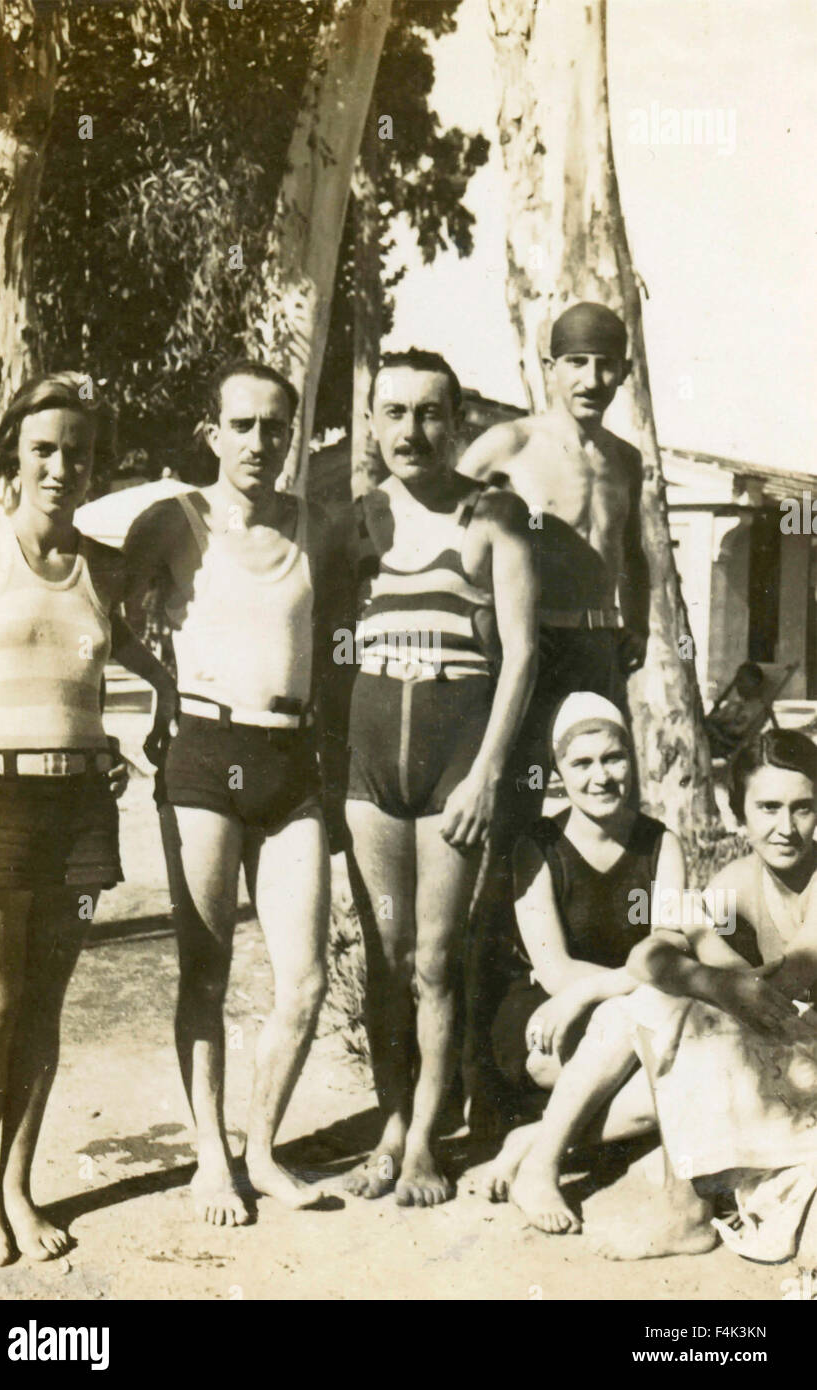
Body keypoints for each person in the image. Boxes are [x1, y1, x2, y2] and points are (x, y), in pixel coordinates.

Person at [122, 359, 349, 1223]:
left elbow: (333, 643)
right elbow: (110, 622)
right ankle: (210, 1160)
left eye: (276, 426)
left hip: (291, 764)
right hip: (204, 755)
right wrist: (164, 686)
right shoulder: (171, 521)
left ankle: (263, 1148)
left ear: (294, 435)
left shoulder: (318, 528)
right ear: (212, 434)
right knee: (205, 972)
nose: (260, 442)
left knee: (306, 978)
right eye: (243, 425)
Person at [0, 372, 174, 1266]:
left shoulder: (105, 569)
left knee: (45, 1010)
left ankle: (19, 1181)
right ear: (12, 451)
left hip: (80, 806)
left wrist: (156, 724)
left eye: (77, 452)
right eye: (43, 447)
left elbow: (152, 664)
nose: (60, 465)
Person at [341, 347, 539, 1207]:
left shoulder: (493, 514)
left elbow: (525, 652)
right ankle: (390, 1121)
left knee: (433, 959)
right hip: (369, 758)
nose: (411, 430)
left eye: (429, 412)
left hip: (456, 756)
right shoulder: (356, 521)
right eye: (394, 412)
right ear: (373, 423)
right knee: (385, 958)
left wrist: (487, 772)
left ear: (457, 422)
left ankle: (425, 1139)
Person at [458, 301, 651, 1134]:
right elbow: (449, 521)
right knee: (504, 846)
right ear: (548, 366)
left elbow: (632, 550)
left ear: (622, 371)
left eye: (606, 364)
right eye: (575, 362)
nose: (592, 379)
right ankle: (480, 1077)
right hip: (530, 661)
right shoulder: (508, 446)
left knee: (599, 831)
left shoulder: (626, 458)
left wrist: (636, 624)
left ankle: (584, 1039)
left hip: (601, 657)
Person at [586, 727, 817, 1261]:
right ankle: (544, 1149)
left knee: (676, 1011)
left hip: (804, 1062)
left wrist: (700, 940)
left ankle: (686, 1210)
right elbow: (645, 957)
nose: (785, 828)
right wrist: (708, 966)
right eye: (768, 808)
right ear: (738, 812)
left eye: (803, 808)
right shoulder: (738, 879)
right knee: (651, 1005)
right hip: (792, 1062)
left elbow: (778, 994)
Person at [476, 693, 685, 1233]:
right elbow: (556, 972)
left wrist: (598, 992)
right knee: (662, 1074)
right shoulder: (537, 847)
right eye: (582, 763)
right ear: (559, 773)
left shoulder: (662, 844)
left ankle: (535, 1143)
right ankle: (542, 1169)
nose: (601, 776)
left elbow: (670, 947)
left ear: (632, 762)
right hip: (546, 1021)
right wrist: (615, 988)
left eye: (613, 758)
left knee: (666, 1096)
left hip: (622, 1014)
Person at [705, 661, 767, 757]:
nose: (736, 684)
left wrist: (716, 728)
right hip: (714, 737)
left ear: (755, 681)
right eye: (736, 680)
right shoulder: (735, 703)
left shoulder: (757, 709)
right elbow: (714, 718)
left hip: (726, 745)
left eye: (741, 680)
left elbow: (738, 734)